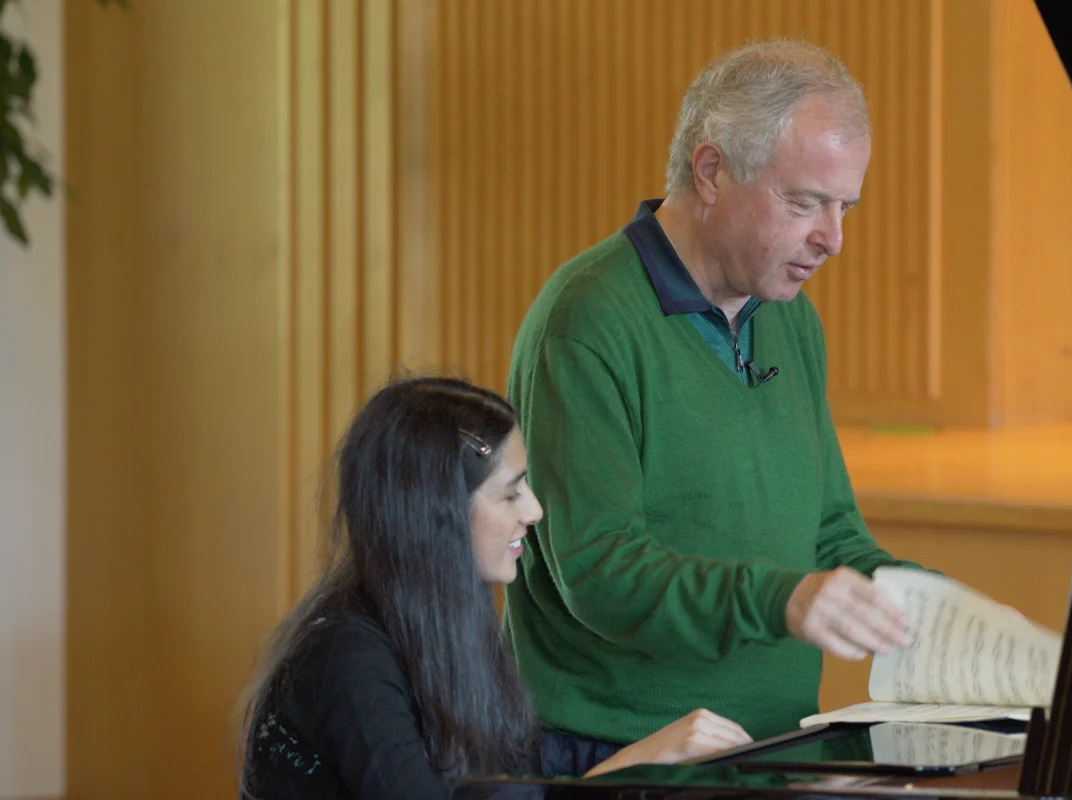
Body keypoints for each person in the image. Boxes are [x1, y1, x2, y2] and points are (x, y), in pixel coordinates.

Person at [504, 39, 931, 762]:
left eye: (845, 207)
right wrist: (781, 600)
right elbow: (600, 573)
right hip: (626, 746)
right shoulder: (587, 319)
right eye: (804, 203)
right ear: (711, 172)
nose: (833, 239)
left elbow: (828, 537)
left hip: (777, 740)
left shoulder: (791, 317)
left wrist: (948, 610)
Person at [235, 376, 753, 800]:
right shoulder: (345, 658)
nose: (534, 510)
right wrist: (634, 763)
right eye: (510, 494)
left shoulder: (441, 623)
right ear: (435, 515)